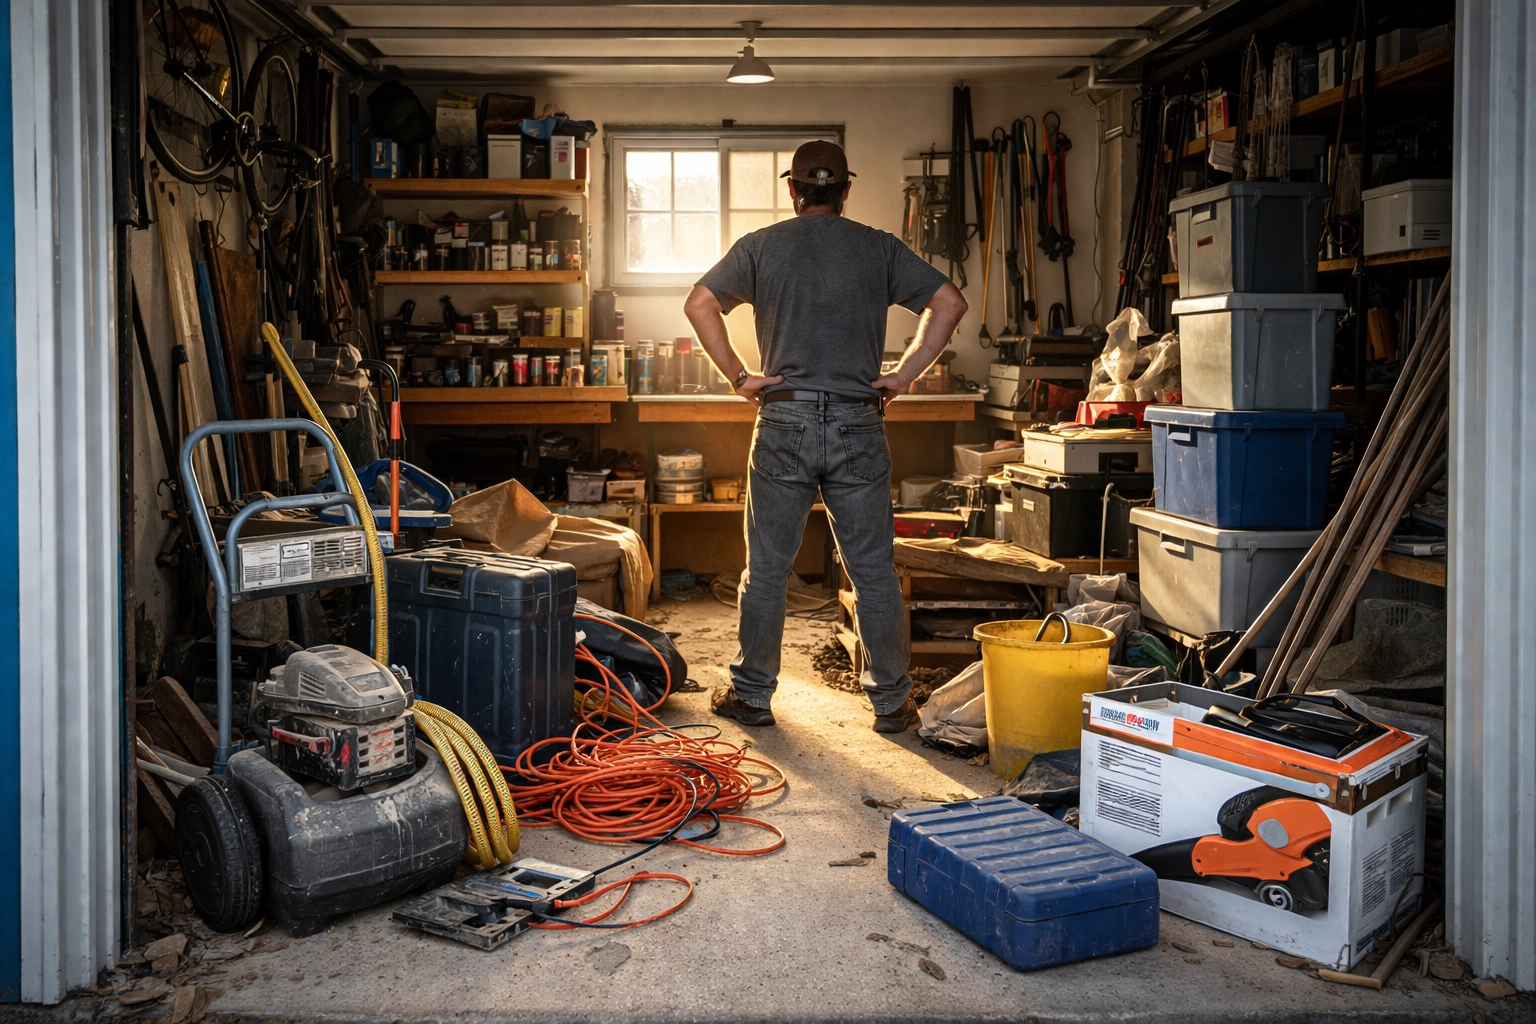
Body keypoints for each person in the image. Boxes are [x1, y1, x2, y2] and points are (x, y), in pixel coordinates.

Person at [684, 139, 967, 733]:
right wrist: (902, 377)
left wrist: (740, 377)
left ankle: (753, 697)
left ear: (793, 190)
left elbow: (700, 303)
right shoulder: (878, 248)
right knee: (872, 571)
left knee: (766, 570)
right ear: (845, 190)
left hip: (782, 417)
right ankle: (891, 703)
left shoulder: (761, 247)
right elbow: (948, 302)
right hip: (857, 419)